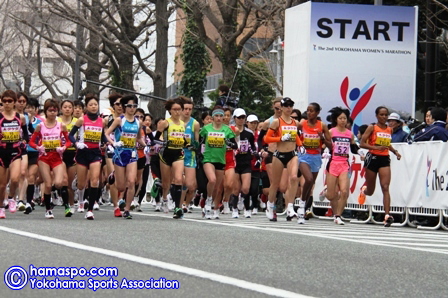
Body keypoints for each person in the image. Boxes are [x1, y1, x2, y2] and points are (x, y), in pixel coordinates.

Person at [358, 106, 402, 227]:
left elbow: (387, 144)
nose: (384, 117)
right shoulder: (372, 127)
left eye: (386, 115)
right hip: (372, 158)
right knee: (371, 191)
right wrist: (376, 148)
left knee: (385, 187)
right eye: (381, 115)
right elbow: (362, 143)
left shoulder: (389, 129)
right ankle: (364, 190)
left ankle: (387, 215)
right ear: (377, 116)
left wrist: (395, 152)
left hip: (384, 159)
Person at [105, 95, 147, 220]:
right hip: (119, 153)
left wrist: (146, 146)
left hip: (132, 154)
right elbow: (107, 133)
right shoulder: (119, 120)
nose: (132, 108)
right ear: (124, 107)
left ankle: (127, 209)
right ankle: (113, 175)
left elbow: (139, 138)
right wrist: (113, 143)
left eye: (134, 106)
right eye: (129, 106)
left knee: (131, 181)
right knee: (121, 186)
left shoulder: (138, 122)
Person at [29, 99, 72, 219]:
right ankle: (48, 209)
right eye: (50, 110)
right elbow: (31, 142)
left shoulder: (61, 125)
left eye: (55, 110)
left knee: (59, 183)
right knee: (47, 184)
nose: (52, 113)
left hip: (57, 157)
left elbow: (68, 141)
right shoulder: (40, 126)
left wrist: (63, 147)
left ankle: (57, 199)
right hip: (44, 158)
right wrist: (38, 147)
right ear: (46, 112)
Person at [264, 97, 303, 222]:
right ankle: (270, 206)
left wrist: (301, 146)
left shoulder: (294, 122)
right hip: (279, 155)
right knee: (275, 184)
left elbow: (296, 136)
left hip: (292, 154)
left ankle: (290, 206)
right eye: (286, 106)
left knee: (293, 177)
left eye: (290, 106)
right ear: (281, 107)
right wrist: (280, 138)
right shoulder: (276, 122)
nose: (288, 108)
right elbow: (267, 139)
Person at [69, 94, 106, 220]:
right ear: (87, 107)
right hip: (83, 152)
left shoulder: (102, 121)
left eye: (95, 104)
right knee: (81, 183)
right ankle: (80, 201)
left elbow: (103, 137)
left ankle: (89, 210)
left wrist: (109, 144)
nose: (94, 107)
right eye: (91, 105)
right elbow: (70, 135)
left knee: (94, 180)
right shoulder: (82, 120)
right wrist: (76, 143)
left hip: (95, 152)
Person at [199, 106, 237, 219]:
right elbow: (200, 142)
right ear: (212, 117)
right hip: (208, 159)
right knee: (212, 180)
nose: (219, 118)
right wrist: (198, 154)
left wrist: (228, 143)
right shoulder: (206, 129)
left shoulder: (227, 130)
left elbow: (235, 145)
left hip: (221, 160)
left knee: (216, 187)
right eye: (217, 116)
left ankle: (210, 203)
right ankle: (208, 202)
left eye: (221, 116)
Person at [153, 97, 188, 219]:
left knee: (178, 179)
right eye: (175, 110)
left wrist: (188, 144)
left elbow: (183, 139)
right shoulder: (165, 123)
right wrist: (161, 143)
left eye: (179, 109)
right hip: (165, 154)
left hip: (178, 154)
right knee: (166, 183)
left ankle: (177, 207)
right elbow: (155, 139)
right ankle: (164, 198)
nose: (177, 112)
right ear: (170, 111)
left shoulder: (183, 124)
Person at [297, 102, 331, 224]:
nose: (309, 113)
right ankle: (302, 204)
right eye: (308, 110)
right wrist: (299, 145)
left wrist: (322, 137)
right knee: (309, 179)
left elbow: (330, 145)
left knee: (311, 183)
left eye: (312, 111)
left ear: (317, 113)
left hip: (316, 157)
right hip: (303, 156)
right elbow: (294, 135)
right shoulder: (302, 124)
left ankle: (303, 207)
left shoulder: (322, 126)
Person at [325, 107, 359, 225]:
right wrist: (325, 152)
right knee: (331, 195)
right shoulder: (331, 131)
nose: (343, 120)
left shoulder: (350, 134)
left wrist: (360, 152)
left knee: (344, 192)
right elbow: (327, 145)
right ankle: (326, 193)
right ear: (336, 119)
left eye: (345, 118)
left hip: (344, 164)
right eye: (340, 118)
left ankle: (338, 215)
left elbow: (354, 147)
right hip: (333, 163)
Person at [0, 90, 29, 218]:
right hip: (1, 152)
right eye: (4, 101)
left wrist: (23, 141)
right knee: (1, 185)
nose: (7, 104)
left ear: (14, 102)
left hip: (15, 151)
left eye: (10, 101)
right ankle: (1, 206)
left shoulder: (20, 117)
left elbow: (26, 135)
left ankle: (11, 198)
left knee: (15, 178)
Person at [232, 108, 256, 218]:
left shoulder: (249, 133)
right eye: (239, 117)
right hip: (235, 163)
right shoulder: (230, 131)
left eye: (243, 117)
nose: (241, 120)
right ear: (234, 118)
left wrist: (256, 154)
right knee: (236, 189)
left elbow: (252, 146)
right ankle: (235, 208)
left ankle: (247, 208)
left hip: (246, 162)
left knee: (246, 188)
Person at [180, 97, 200, 213]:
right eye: (185, 109)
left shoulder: (195, 124)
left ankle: (186, 203)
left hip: (190, 155)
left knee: (191, 185)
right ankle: (179, 204)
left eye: (190, 109)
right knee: (181, 181)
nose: (187, 111)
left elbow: (197, 141)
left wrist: (194, 145)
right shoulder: (176, 122)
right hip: (178, 154)